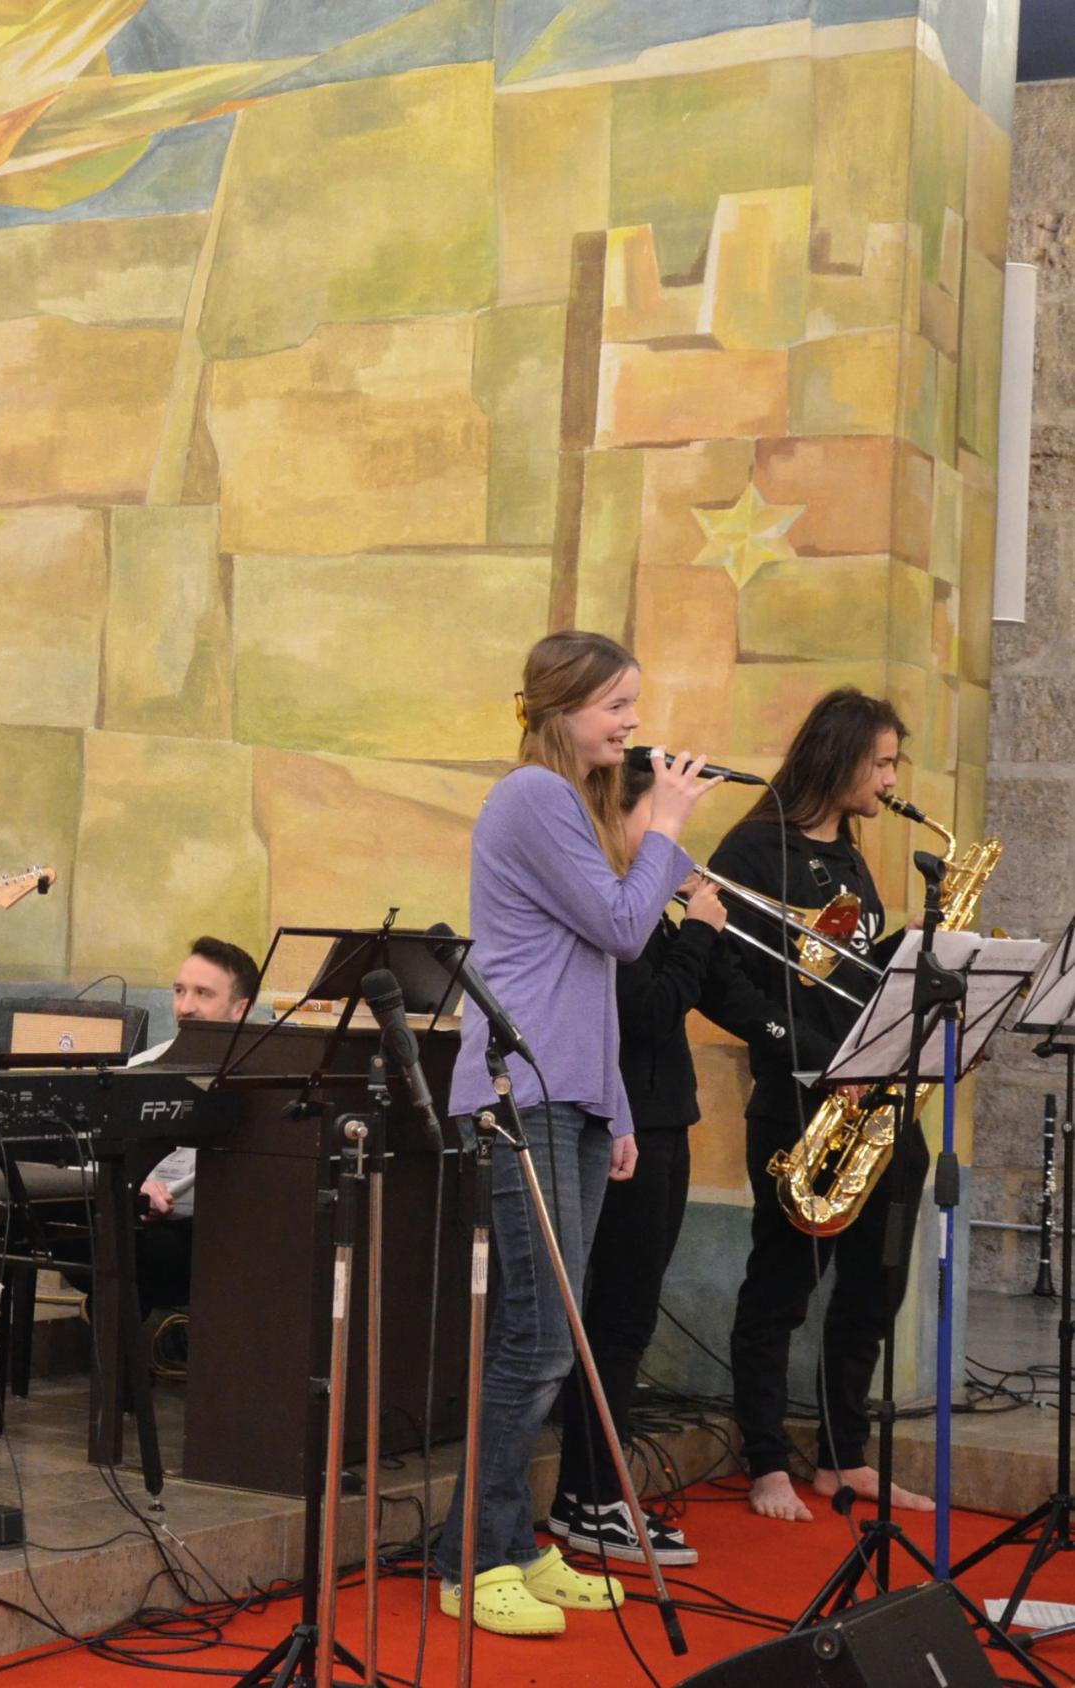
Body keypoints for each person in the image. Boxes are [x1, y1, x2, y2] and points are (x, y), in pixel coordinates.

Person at [430, 630, 722, 1640]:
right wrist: (670, 829)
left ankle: (510, 1541)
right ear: (560, 707)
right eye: (616, 706)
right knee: (540, 1336)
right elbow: (624, 929)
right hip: (523, 1090)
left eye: (634, 703)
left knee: (549, 1330)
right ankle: (472, 1554)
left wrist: (620, 1108)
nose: (634, 723)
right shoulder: (532, 796)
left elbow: (589, 975)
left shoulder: (576, 802)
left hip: (576, 1092)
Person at [546, 759, 818, 1567]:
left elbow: (711, 992)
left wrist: (803, 1043)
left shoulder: (644, 910)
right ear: (618, 819)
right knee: (617, 1321)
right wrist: (700, 925)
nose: (676, 845)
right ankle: (591, 1500)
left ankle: (590, 1498)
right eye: (658, 821)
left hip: (664, 1124)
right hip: (623, 1129)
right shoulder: (608, 911)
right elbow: (652, 1008)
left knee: (625, 1317)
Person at [709, 689, 932, 1524]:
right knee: (782, 1285)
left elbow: (839, 964)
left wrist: (906, 953)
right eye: (880, 762)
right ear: (838, 759)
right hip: (802, 1100)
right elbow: (716, 970)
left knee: (876, 1286)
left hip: (879, 1100)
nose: (889, 778)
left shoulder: (849, 850)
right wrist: (785, 1038)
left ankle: (844, 1458)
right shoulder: (752, 848)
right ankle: (766, 1459)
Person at [127, 936, 259, 1315]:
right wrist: (134, 1185)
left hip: (221, 1233)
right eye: (179, 991)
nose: (185, 1007)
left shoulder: (259, 1077)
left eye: (203, 994)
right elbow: (93, 1158)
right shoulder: (144, 1066)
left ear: (241, 1009)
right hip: (144, 1225)